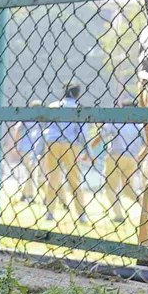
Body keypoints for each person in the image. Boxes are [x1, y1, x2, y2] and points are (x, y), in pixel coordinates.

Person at [39, 83, 88, 222]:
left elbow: (46, 127)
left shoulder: (54, 106)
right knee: (74, 179)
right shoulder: (79, 108)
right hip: (71, 144)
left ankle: (50, 212)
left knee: (52, 179)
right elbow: (82, 133)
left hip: (52, 143)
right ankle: (81, 214)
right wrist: (88, 151)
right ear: (78, 94)